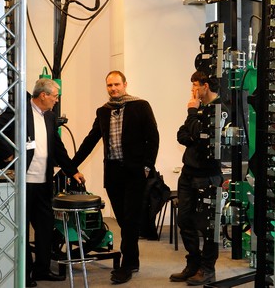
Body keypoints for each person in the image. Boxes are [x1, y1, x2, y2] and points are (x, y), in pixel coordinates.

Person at [0, 78, 85, 287]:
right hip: (22, 182)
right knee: (22, 229)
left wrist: (73, 171)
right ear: (43, 95)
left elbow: (57, 148)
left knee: (44, 227)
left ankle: (42, 269)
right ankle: (25, 274)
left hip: (43, 181)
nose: (56, 100)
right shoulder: (18, 111)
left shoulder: (50, 117)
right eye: (55, 96)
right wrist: (8, 153)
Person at [71, 70, 159, 284]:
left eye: (117, 84)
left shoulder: (140, 106)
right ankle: (133, 260)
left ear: (125, 84)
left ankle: (126, 266)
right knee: (122, 219)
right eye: (110, 85)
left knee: (130, 219)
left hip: (135, 173)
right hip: (113, 174)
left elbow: (153, 137)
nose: (113, 89)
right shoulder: (103, 111)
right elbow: (91, 140)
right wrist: (71, 165)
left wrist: (147, 166)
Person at [170, 71, 227, 286]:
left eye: (195, 86)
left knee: (208, 225)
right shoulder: (199, 109)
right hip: (188, 173)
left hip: (207, 176)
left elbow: (204, 140)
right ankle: (193, 264)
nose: (193, 91)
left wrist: (192, 113)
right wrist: (195, 133)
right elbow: (182, 134)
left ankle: (207, 269)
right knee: (184, 220)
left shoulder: (219, 109)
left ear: (205, 86)